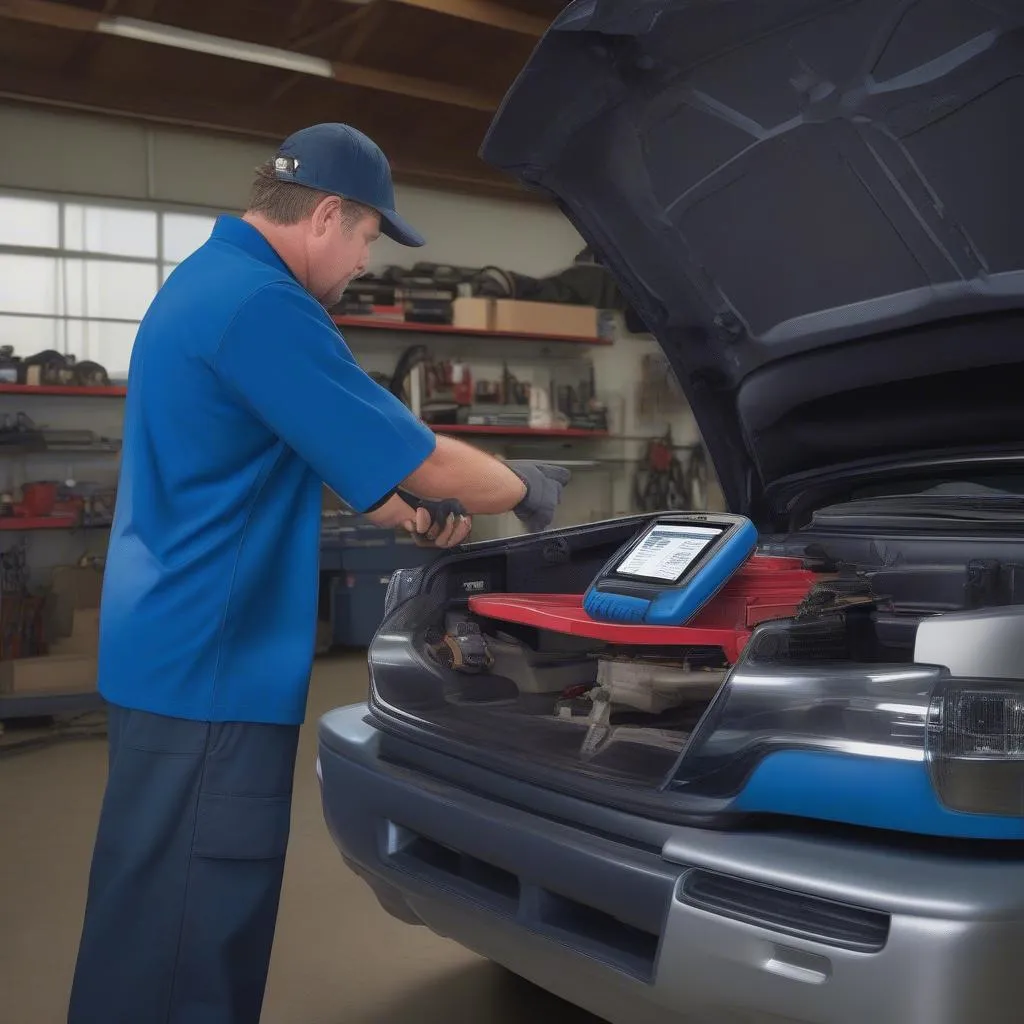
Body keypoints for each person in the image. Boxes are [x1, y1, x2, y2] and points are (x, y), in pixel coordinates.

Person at [67, 123, 570, 1024]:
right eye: (371, 237)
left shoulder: (206, 284)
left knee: (146, 914)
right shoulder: (266, 305)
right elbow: (426, 461)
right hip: (216, 667)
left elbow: (292, 450)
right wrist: (528, 488)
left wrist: (395, 503)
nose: (366, 263)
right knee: (193, 927)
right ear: (329, 215)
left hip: (170, 650)